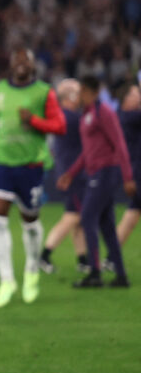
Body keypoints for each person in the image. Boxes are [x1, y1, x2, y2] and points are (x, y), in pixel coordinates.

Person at [0, 48, 66, 307]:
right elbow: (0, 124)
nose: (21, 63)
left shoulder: (44, 92)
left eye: (26, 60)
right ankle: (6, 280)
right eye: (16, 59)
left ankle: (31, 270)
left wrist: (34, 120)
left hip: (30, 165)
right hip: (1, 162)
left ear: (34, 66)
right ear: (10, 64)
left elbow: (59, 126)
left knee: (29, 220)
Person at [56, 76, 135, 288]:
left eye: (81, 91)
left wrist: (128, 177)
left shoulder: (104, 112)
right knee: (107, 226)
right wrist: (71, 173)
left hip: (105, 173)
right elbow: (87, 152)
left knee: (88, 217)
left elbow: (119, 144)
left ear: (91, 92)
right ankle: (121, 276)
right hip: (95, 173)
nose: (79, 96)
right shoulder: (87, 115)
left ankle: (95, 273)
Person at [39, 79, 89, 274]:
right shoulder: (74, 118)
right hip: (74, 174)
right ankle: (44, 255)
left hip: (66, 172)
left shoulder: (60, 116)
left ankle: (83, 259)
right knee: (73, 216)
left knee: (78, 217)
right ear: (71, 96)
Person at [116, 84, 141, 246]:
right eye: (136, 93)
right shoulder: (130, 117)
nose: (139, 95)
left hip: (133, 170)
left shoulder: (120, 115)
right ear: (126, 99)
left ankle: (112, 256)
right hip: (138, 170)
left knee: (132, 214)